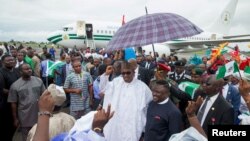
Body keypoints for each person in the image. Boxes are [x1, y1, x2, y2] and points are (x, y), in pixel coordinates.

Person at [102, 61, 153, 141]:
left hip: (132, 124)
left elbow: (149, 106)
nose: (125, 75)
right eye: (123, 73)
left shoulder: (142, 88)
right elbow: (103, 90)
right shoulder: (116, 82)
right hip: (116, 123)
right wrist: (106, 75)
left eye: (128, 73)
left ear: (133, 72)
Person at [8, 63, 45, 141]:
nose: (29, 70)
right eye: (26, 69)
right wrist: (15, 119)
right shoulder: (15, 85)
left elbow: (44, 96)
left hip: (39, 114)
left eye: (30, 68)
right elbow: (13, 103)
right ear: (20, 72)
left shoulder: (38, 80)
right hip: (25, 116)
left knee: (40, 134)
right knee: (27, 136)